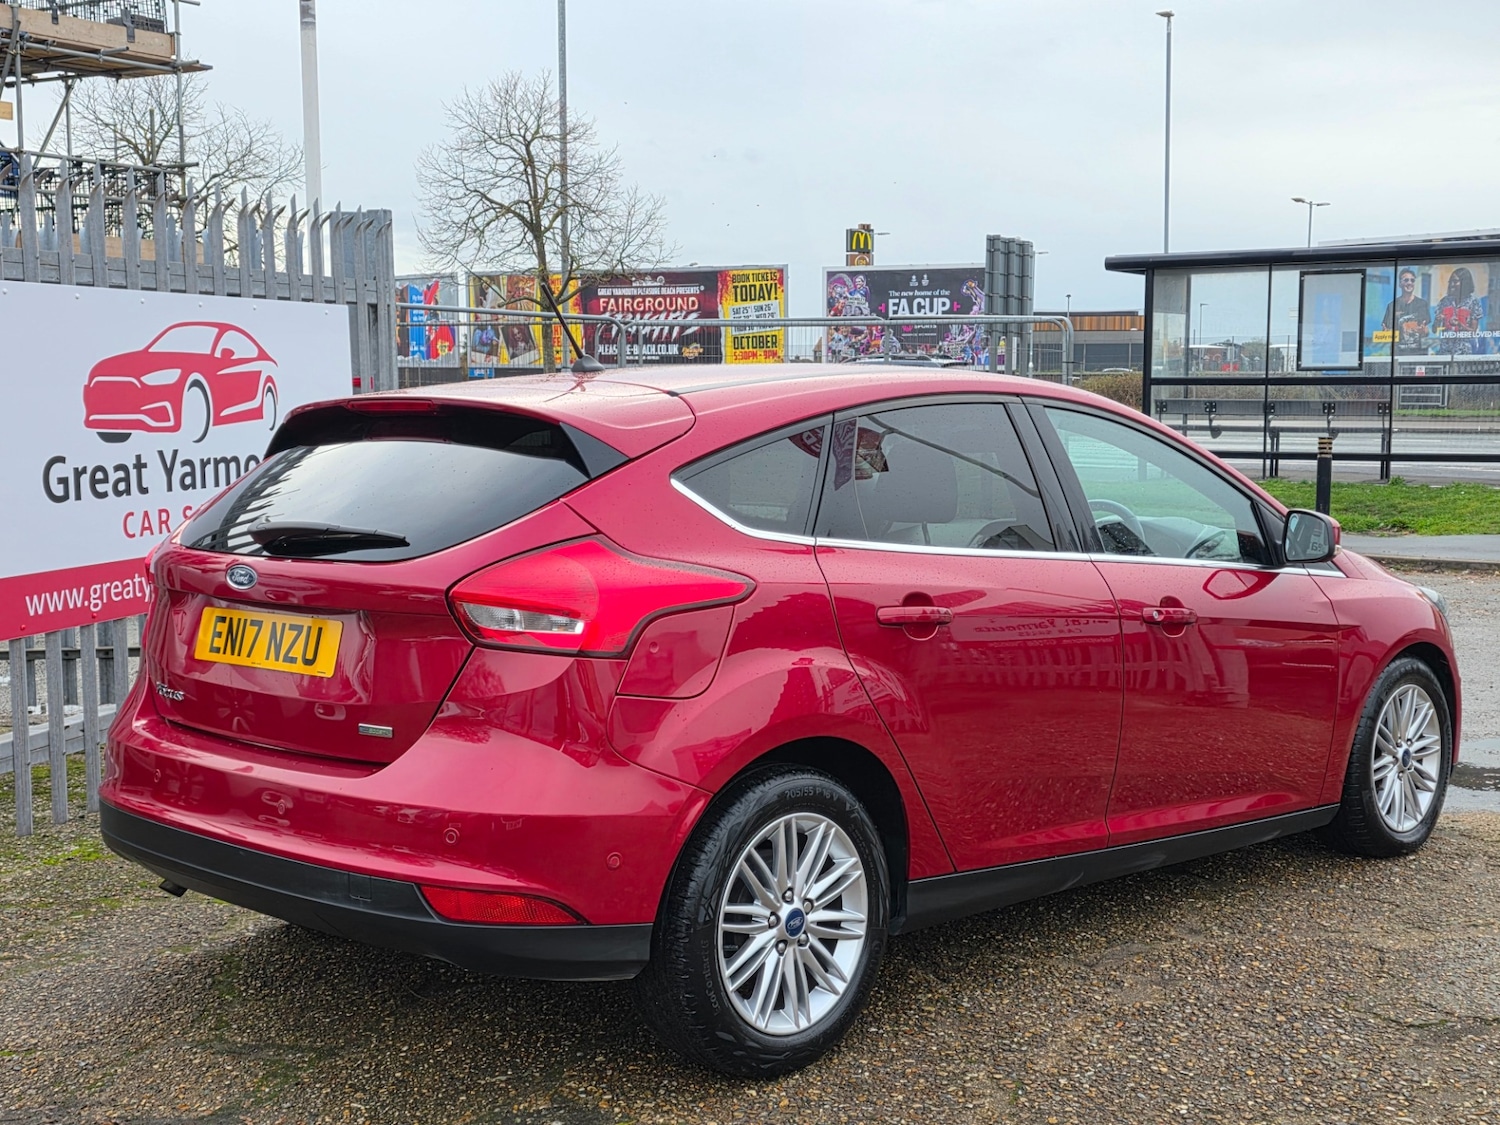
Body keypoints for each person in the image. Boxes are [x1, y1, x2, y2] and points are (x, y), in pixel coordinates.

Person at [1431, 266, 1485, 355]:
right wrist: (1437, 321)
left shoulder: (1473, 302)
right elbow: (1434, 330)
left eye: (1455, 281)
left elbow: (1473, 333)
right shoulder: (1444, 301)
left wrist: (1460, 325)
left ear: (1465, 282)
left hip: (1463, 353)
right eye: (1451, 281)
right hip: (1444, 352)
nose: (1452, 284)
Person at [1381, 267, 1430, 354]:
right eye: (1406, 280)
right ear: (1400, 284)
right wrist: (1386, 334)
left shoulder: (1422, 304)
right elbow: (1386, 332)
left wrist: (1423, 331)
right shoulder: (1392, 306)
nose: (1409, 283)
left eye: (1412, 280)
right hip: (1397, 353)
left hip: (1418, 353)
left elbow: (1426, 331)